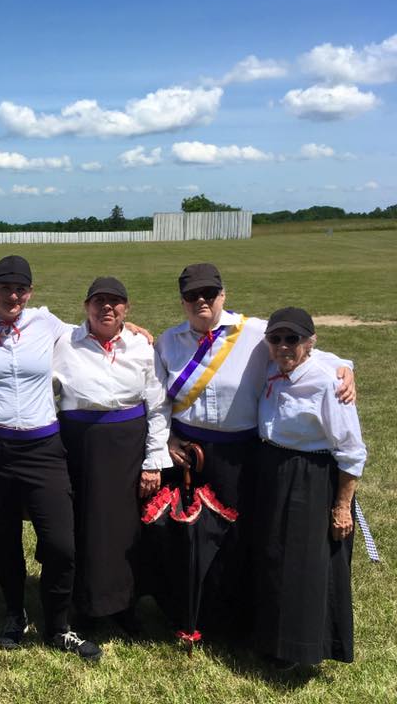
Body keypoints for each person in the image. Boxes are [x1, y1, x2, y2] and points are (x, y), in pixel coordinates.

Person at [153, 262, 355, 636]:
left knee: (239, 537)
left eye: (209, 294)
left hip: (240, 454)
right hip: (186, 454)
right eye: (191, 295)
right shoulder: (167, 342)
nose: (201, 301)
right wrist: (167, 440)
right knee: (188, 536)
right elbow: (158, 398)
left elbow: (305, 352)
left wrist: (345, 366)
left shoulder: (256, 332)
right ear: (181, 301)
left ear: (223, 295)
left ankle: (234, 618)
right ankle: (188, 612)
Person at [0, 255, 102, 660]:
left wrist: (132, 332)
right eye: (5, 287)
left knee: (60, 543)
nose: (13, 295)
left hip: (42, 447)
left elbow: (89, 334)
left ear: (30, 292)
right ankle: (14, 613)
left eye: (21, 288)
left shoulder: (46, 322)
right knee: (4, 538)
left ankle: (59, 625)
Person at [53, 276, 171, 633]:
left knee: (125, 526)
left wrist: (153, 460)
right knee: (84, 524)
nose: (107, 307)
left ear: (127, 308)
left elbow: (158, 406)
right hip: (81, 444)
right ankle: (84, 603)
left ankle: (124, 604)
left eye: (115, 301)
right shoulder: (63, 342)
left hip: (128, 445)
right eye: (99, 301)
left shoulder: (142, 347)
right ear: (85, 306)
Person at [254, 307, 365, 670]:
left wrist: (342, 506)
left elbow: (351, 451)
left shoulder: (327, 382)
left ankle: (299, 649)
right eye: (276, 339)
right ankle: (271, 637)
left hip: (312, 474)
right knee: (274, 556)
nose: (284, 347)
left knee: (304, 565)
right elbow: (331, 356)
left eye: (293, 339)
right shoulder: (273, 367)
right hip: (273, 466)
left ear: (309, 343)